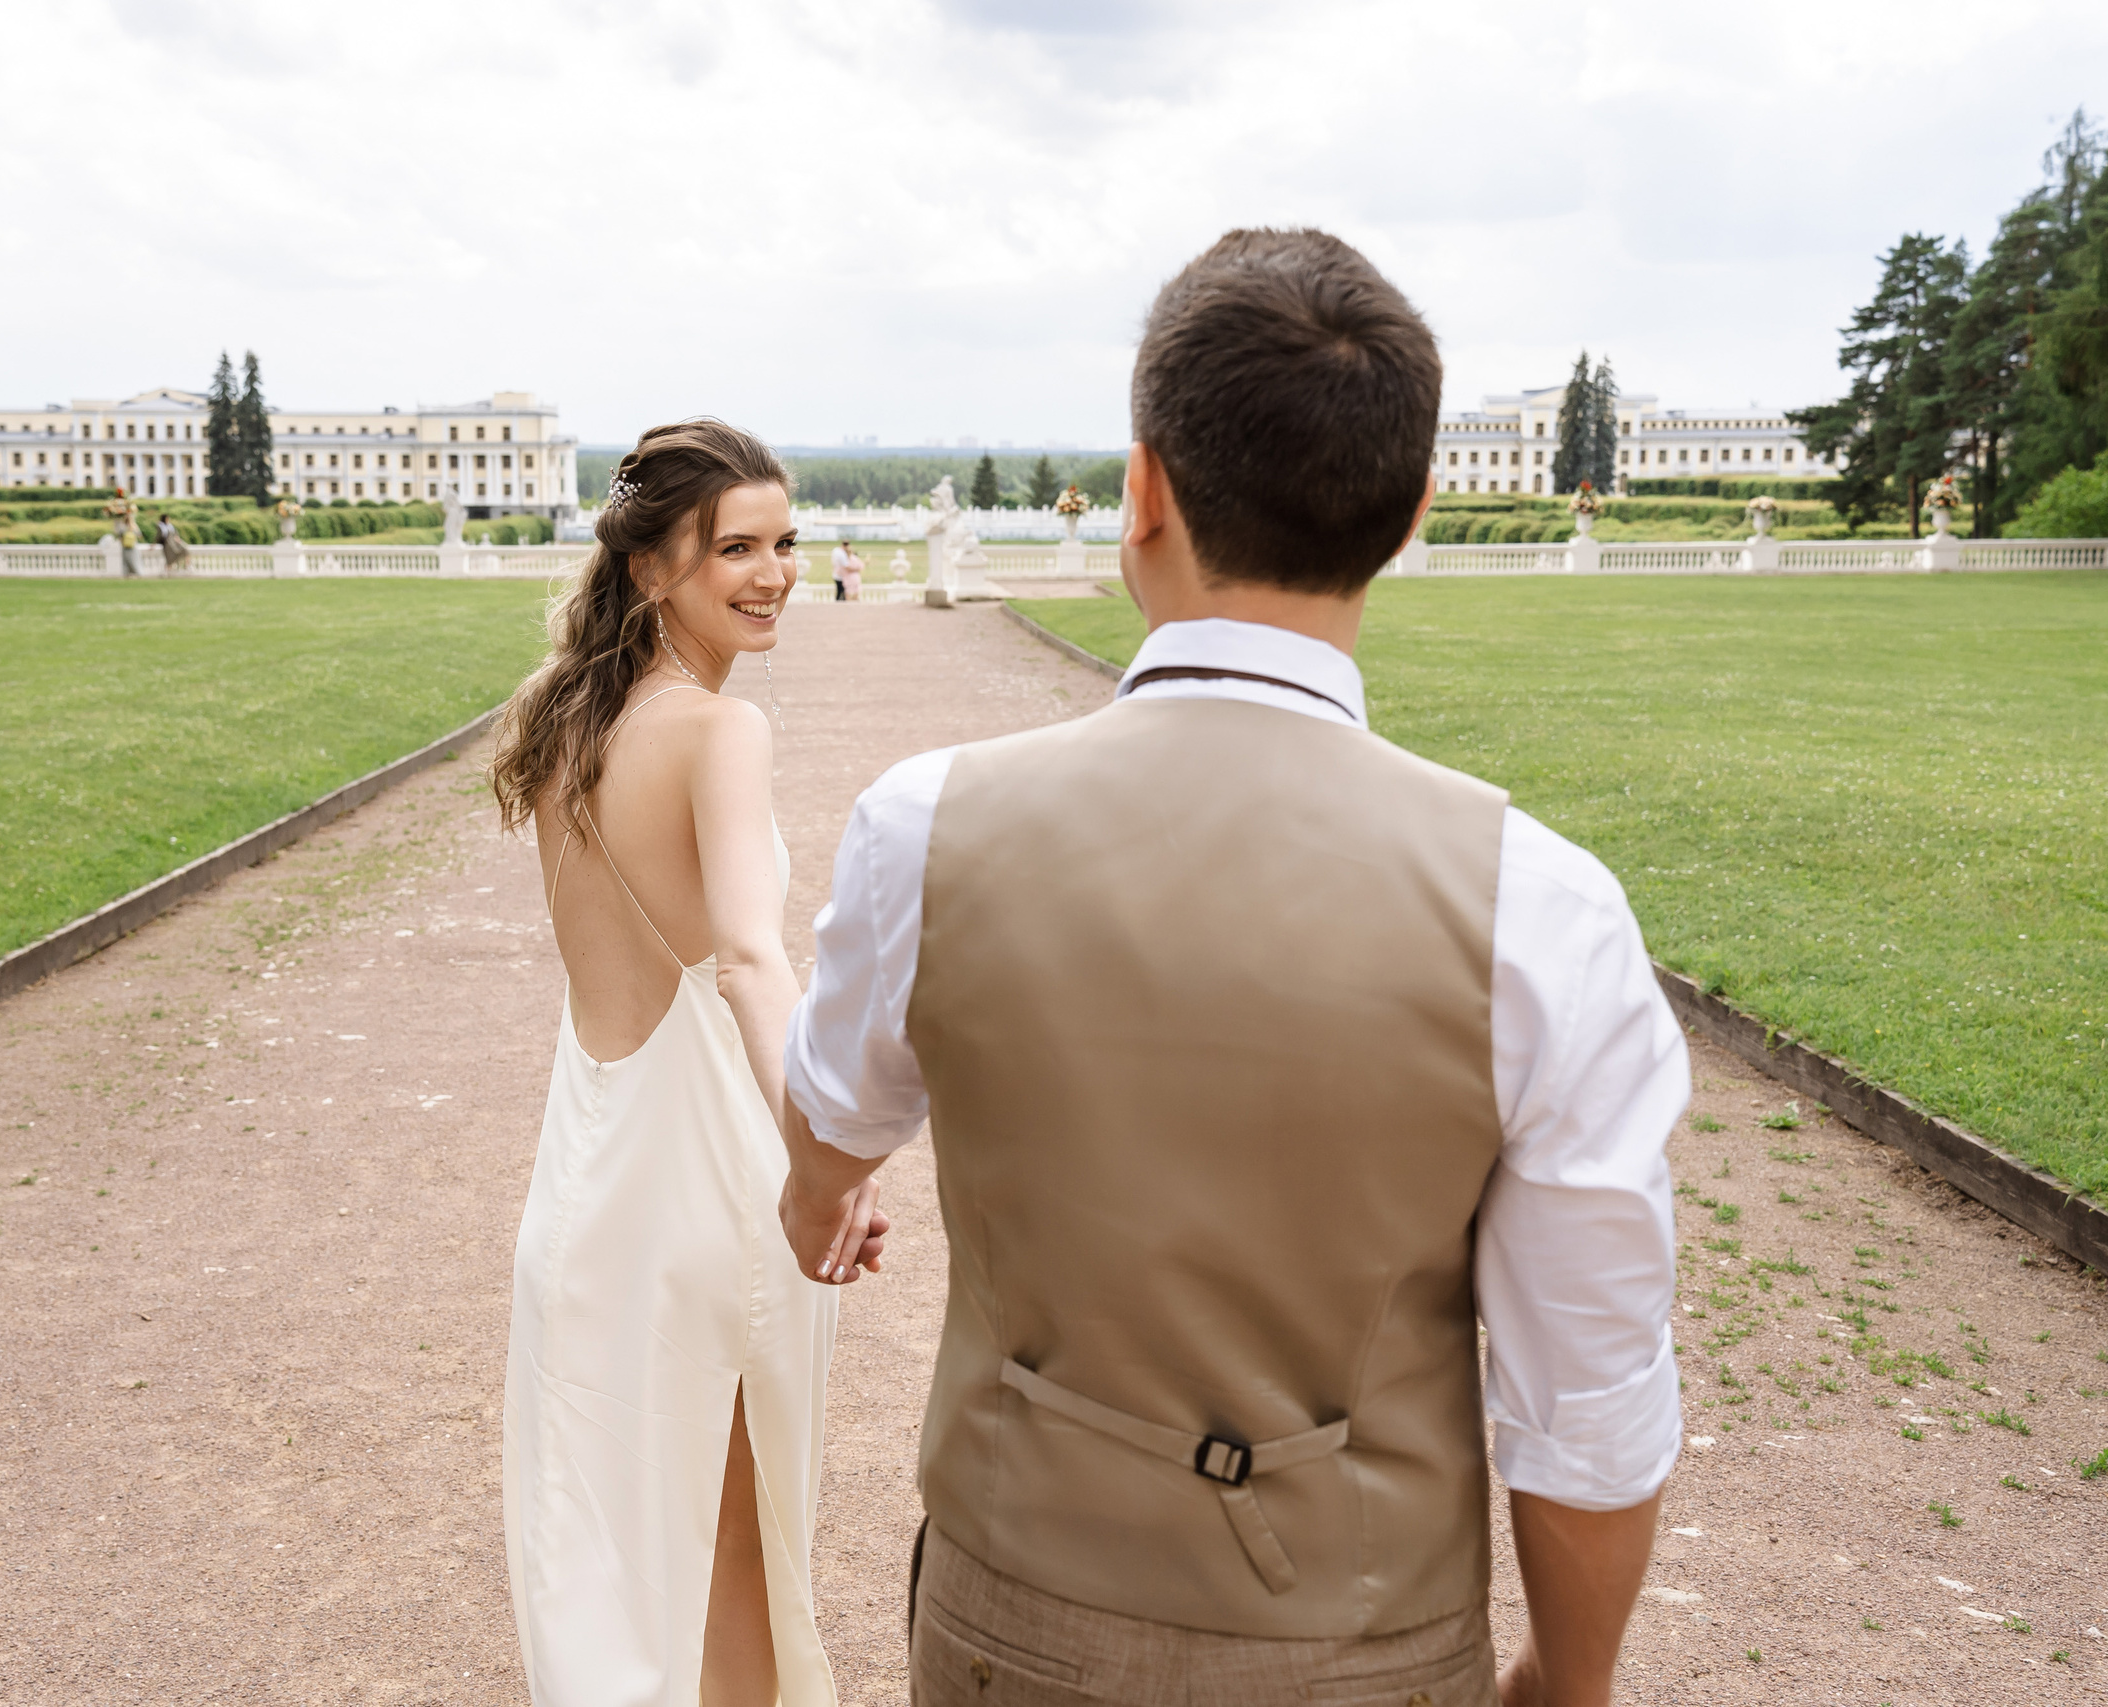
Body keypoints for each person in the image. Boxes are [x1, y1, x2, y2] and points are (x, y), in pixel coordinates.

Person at [778, 229, 1685, 1706]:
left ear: (1143, 491)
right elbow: (1586, 1404)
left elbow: (831, 1123)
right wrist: (1566, 1683)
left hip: (1020, 1610)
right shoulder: (1544, 908)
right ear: (1410, 520)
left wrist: (819, 1198)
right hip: (1361, 1640)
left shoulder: (929, 822)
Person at [490, 419, 888, 1707]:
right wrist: (815, 1157)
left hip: (589, 1192)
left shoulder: (567, 726)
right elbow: (751, 965)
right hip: (708, 1184)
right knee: (740, 1559)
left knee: (613, 1562)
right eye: (737, 548)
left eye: (785, 543)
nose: (773, 573)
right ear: (655, 565)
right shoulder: (721, 732)